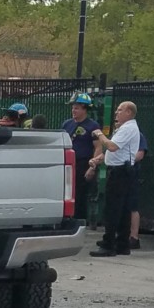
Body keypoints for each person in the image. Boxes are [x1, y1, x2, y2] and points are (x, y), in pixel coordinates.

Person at [89, 101, 140, 257]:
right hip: (122, 171)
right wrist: (99, 159)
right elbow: (116, 151)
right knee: (123, 210)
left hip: (119, 173)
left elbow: (112, 146)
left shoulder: (128, 128)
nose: (116, 113)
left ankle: (108, 244)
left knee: (112, 209)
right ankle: (122, 244)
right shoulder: (125, 128)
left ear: (129, 112)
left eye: (120, 110)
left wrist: (99, 134)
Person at [62, 93, 103, 223]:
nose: (73, 110)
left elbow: (98, 147)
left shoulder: (93, 126)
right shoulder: (66, 124)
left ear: (85, 109)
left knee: (80, 195)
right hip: (68, 164)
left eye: (77, 108)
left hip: (83, 164)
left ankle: (80, 221)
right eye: (73, 107)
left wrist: (92, 167)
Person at [128, 130, 148, 249]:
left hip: (131, 174)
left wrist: (125, 163)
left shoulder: (137, 135)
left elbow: (140, 154)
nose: (116, 122)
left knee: (132, 206)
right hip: (117, 174)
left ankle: (134, 237)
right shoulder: (117, 134)